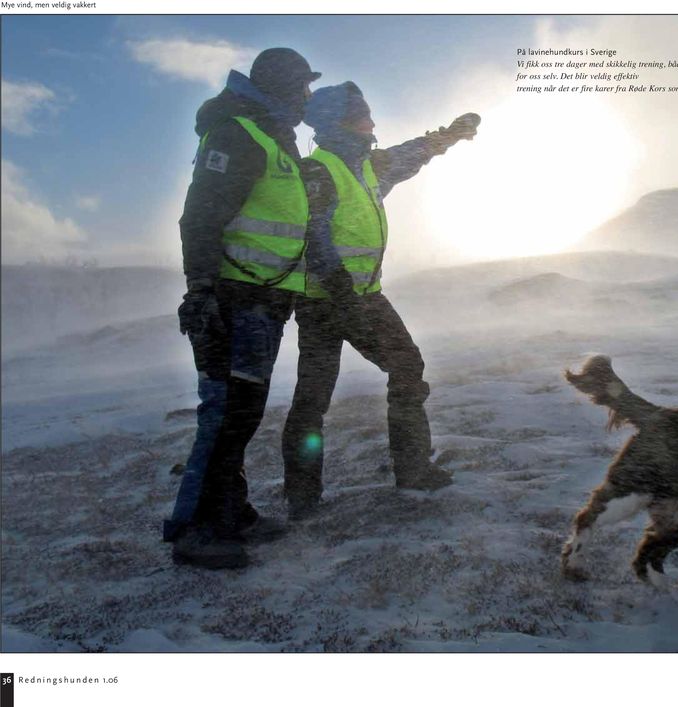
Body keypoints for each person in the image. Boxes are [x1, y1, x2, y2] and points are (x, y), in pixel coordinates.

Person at [282, 82, 480, 520]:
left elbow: (412, 153)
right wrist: (341, 292)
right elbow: (313, 233)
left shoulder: (368, 165)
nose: (372, 123)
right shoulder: (319, 170)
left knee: (342, 387)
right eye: (363, 116)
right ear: (340, 123)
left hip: (355, 297)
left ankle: (397, 473)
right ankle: (309, 492)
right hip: (332, 300)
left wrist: (451, 133)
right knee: (324, 394)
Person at [164, 48, 321, 569]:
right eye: (303, 87)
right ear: (282, 86)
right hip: (236, 299)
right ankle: (198, 528)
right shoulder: (239, 134)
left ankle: (231, 509)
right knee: (229, 413)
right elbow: (201, 217)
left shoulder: (274, 139)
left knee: (242, 412)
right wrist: (201, 290)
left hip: (265, 301)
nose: (307, 97)